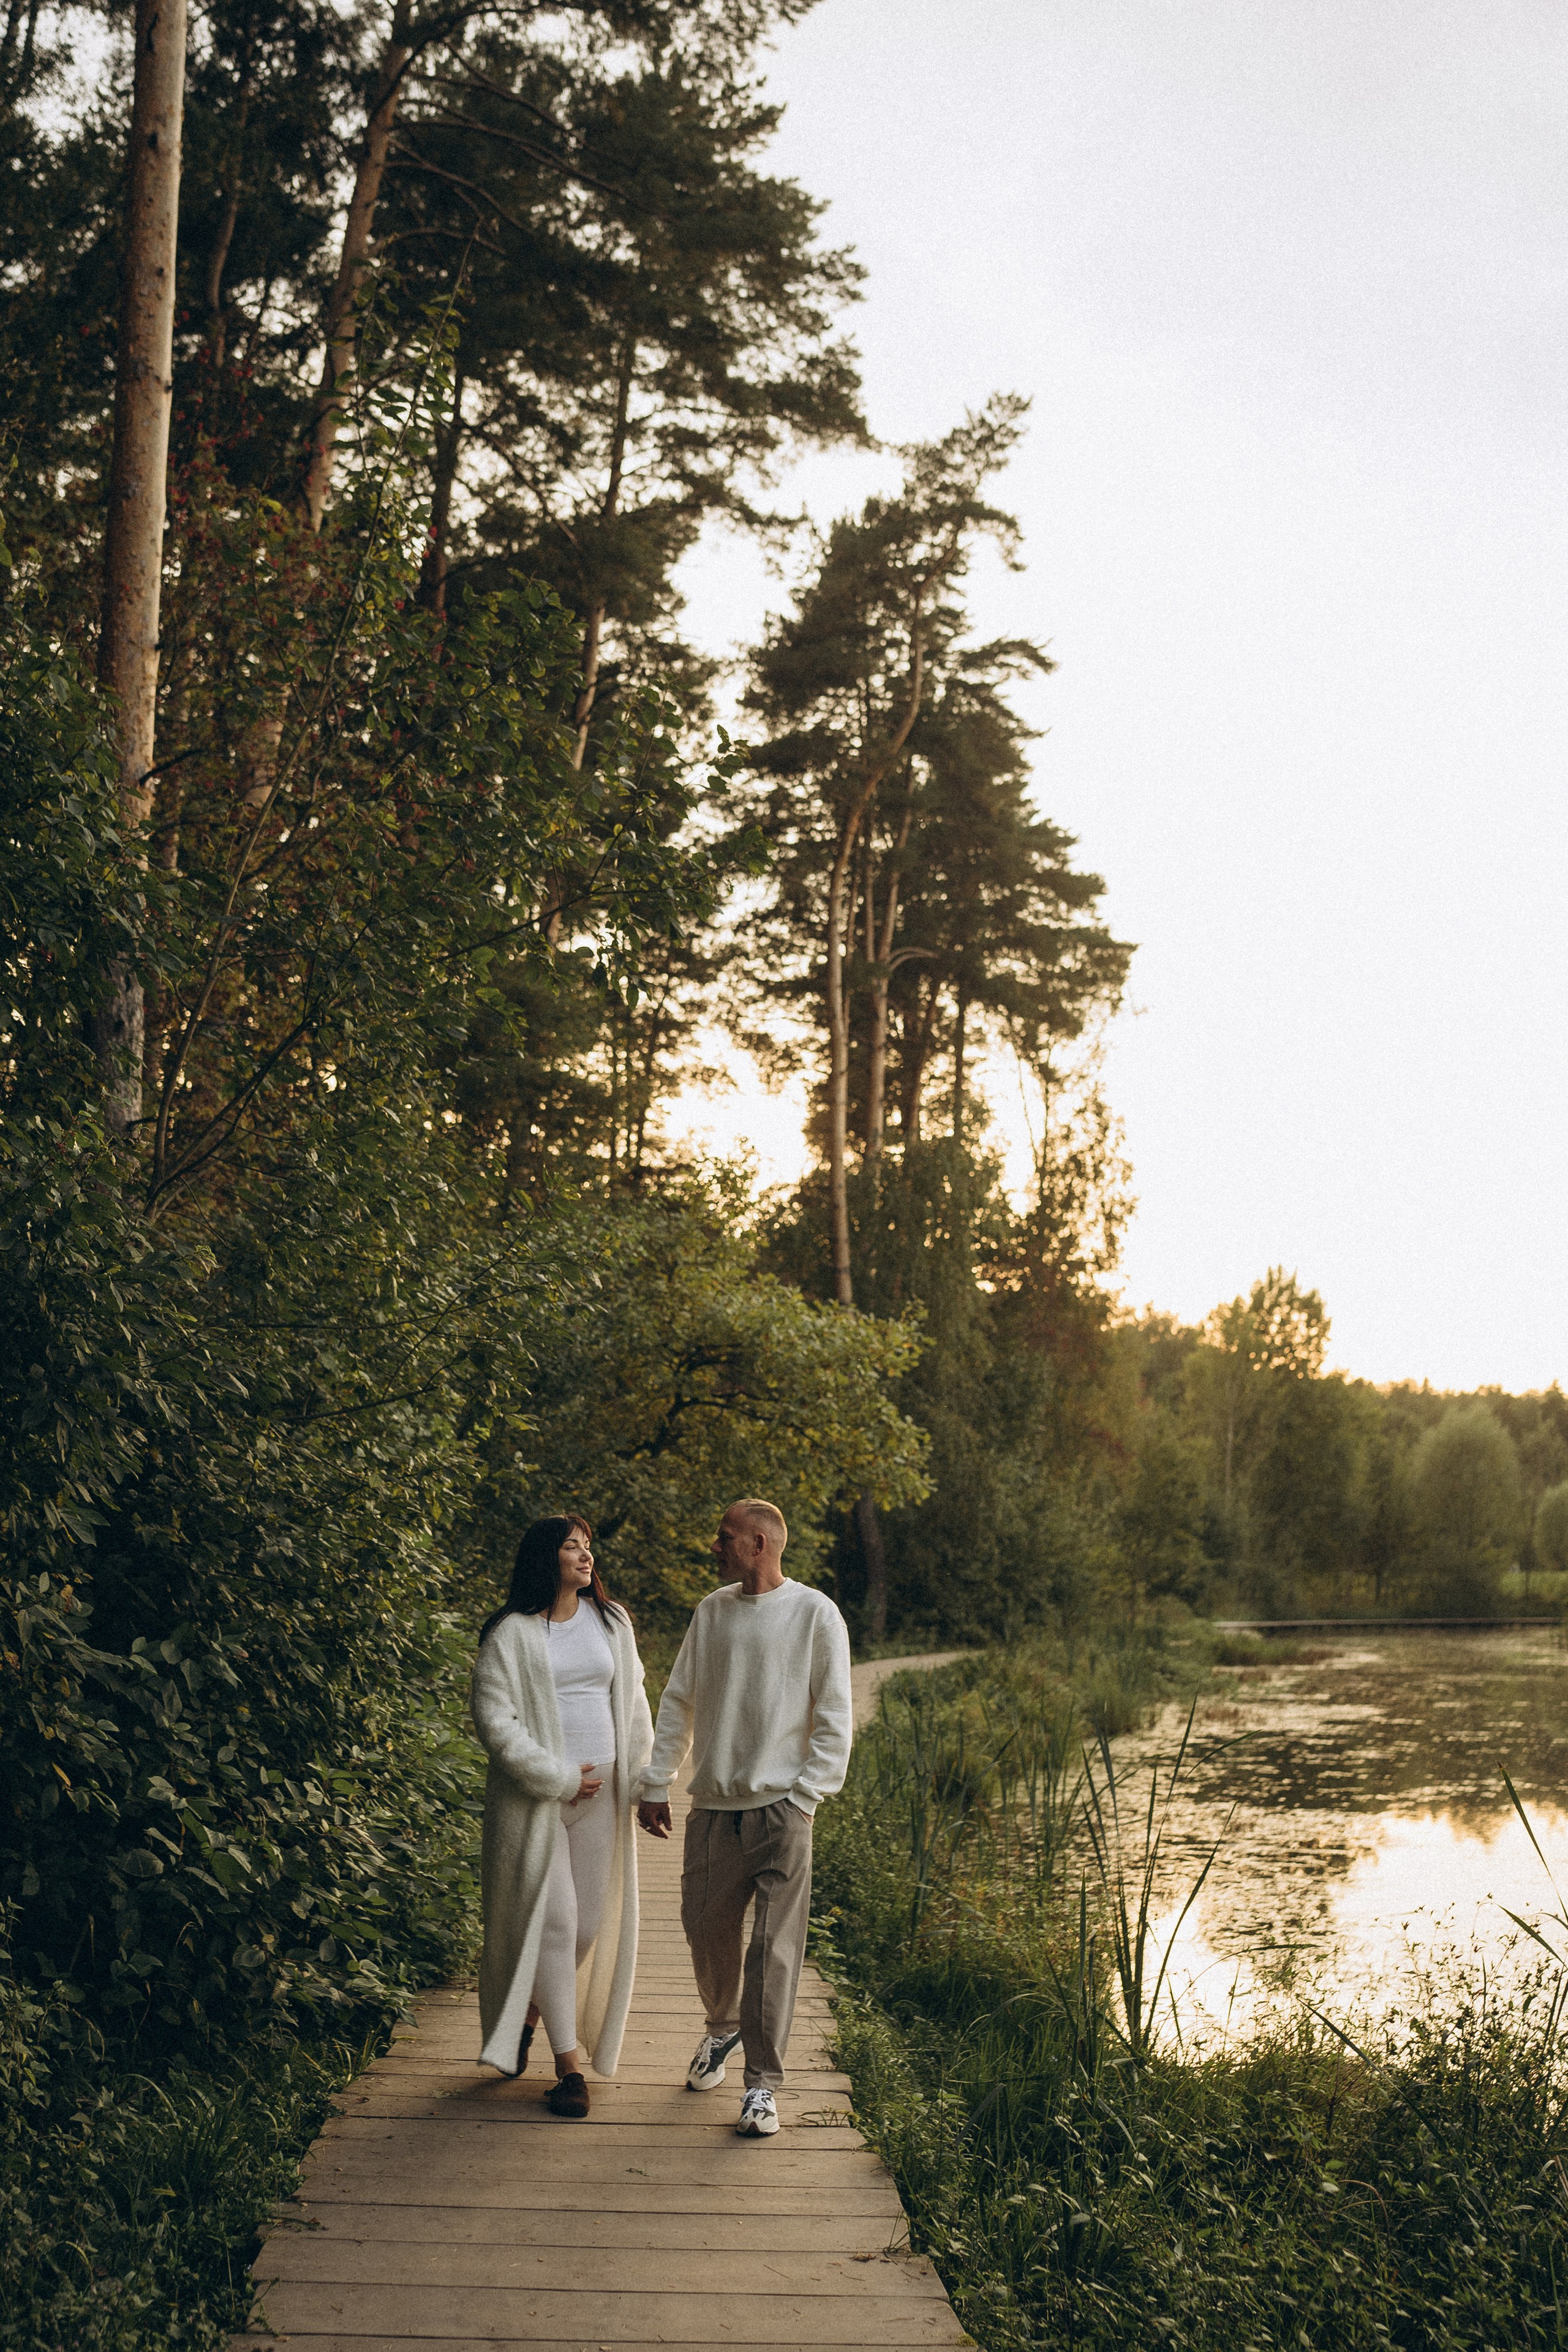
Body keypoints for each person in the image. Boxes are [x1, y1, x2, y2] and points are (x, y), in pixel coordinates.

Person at [636, 1498, 853, 2138]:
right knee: (704, 1929)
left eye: (724, 1537)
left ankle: (762, 2087)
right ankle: (722, 2029)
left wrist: (807, 1796)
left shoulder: (815, 1613)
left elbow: (836, 1715)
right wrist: (657, 1782)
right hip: (713, 1808)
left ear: (759, 1543)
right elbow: (679, 1700)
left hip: (782, 1810)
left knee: (772, 1951)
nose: (715, 1546)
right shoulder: (713, 1611)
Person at [471, 1515, 654, 2118]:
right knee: (556, 1923)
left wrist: (650, 1783)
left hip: (603, 1798)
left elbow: (633, 1707)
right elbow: (496, 1726)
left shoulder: (612, 1622)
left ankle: (524, 2017)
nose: (585, 1556)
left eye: (588, 1547)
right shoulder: (511, 1634)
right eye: (572, 1547)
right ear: (544, 1558)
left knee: (583, 1932)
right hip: (535, 1806)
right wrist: (559, 1778)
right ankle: (569, 2070)